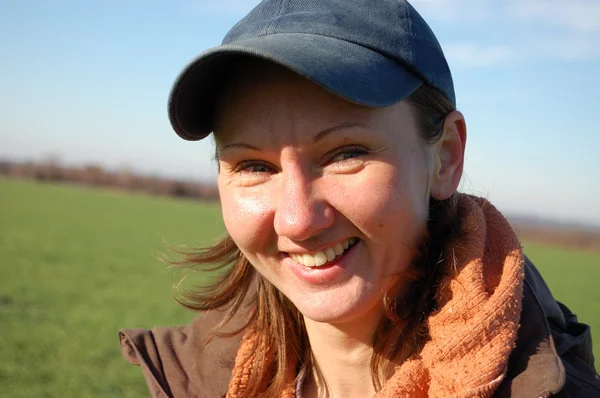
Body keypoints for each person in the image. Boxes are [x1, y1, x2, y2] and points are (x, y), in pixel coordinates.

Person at [119, 1, 600, 396]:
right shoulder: (202, 377)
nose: (296, 220)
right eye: (253, 166)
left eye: (346, 153)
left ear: (446, 157)